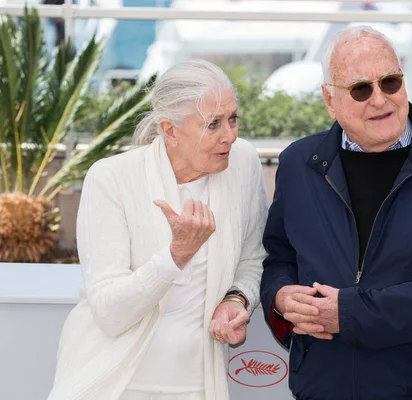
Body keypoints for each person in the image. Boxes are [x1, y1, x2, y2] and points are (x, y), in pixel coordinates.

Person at [260, 25, 412, 400]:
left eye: (390, 82)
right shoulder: (298, 165)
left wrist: (351, 313)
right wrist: (280, 296)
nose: (380, 99)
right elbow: (279, 257)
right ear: (329, 100)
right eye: (360, 89)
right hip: (322, 388)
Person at [48, 59, 268, 400]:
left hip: (200, 384)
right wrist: (175, 255)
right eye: (213, 124)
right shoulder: (111, 178)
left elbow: (253, 258)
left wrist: (237, 298)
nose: (230, 135)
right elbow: (108, 312)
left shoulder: (243, 162)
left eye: (233, 118)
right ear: (169, 129)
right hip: (114, 384)